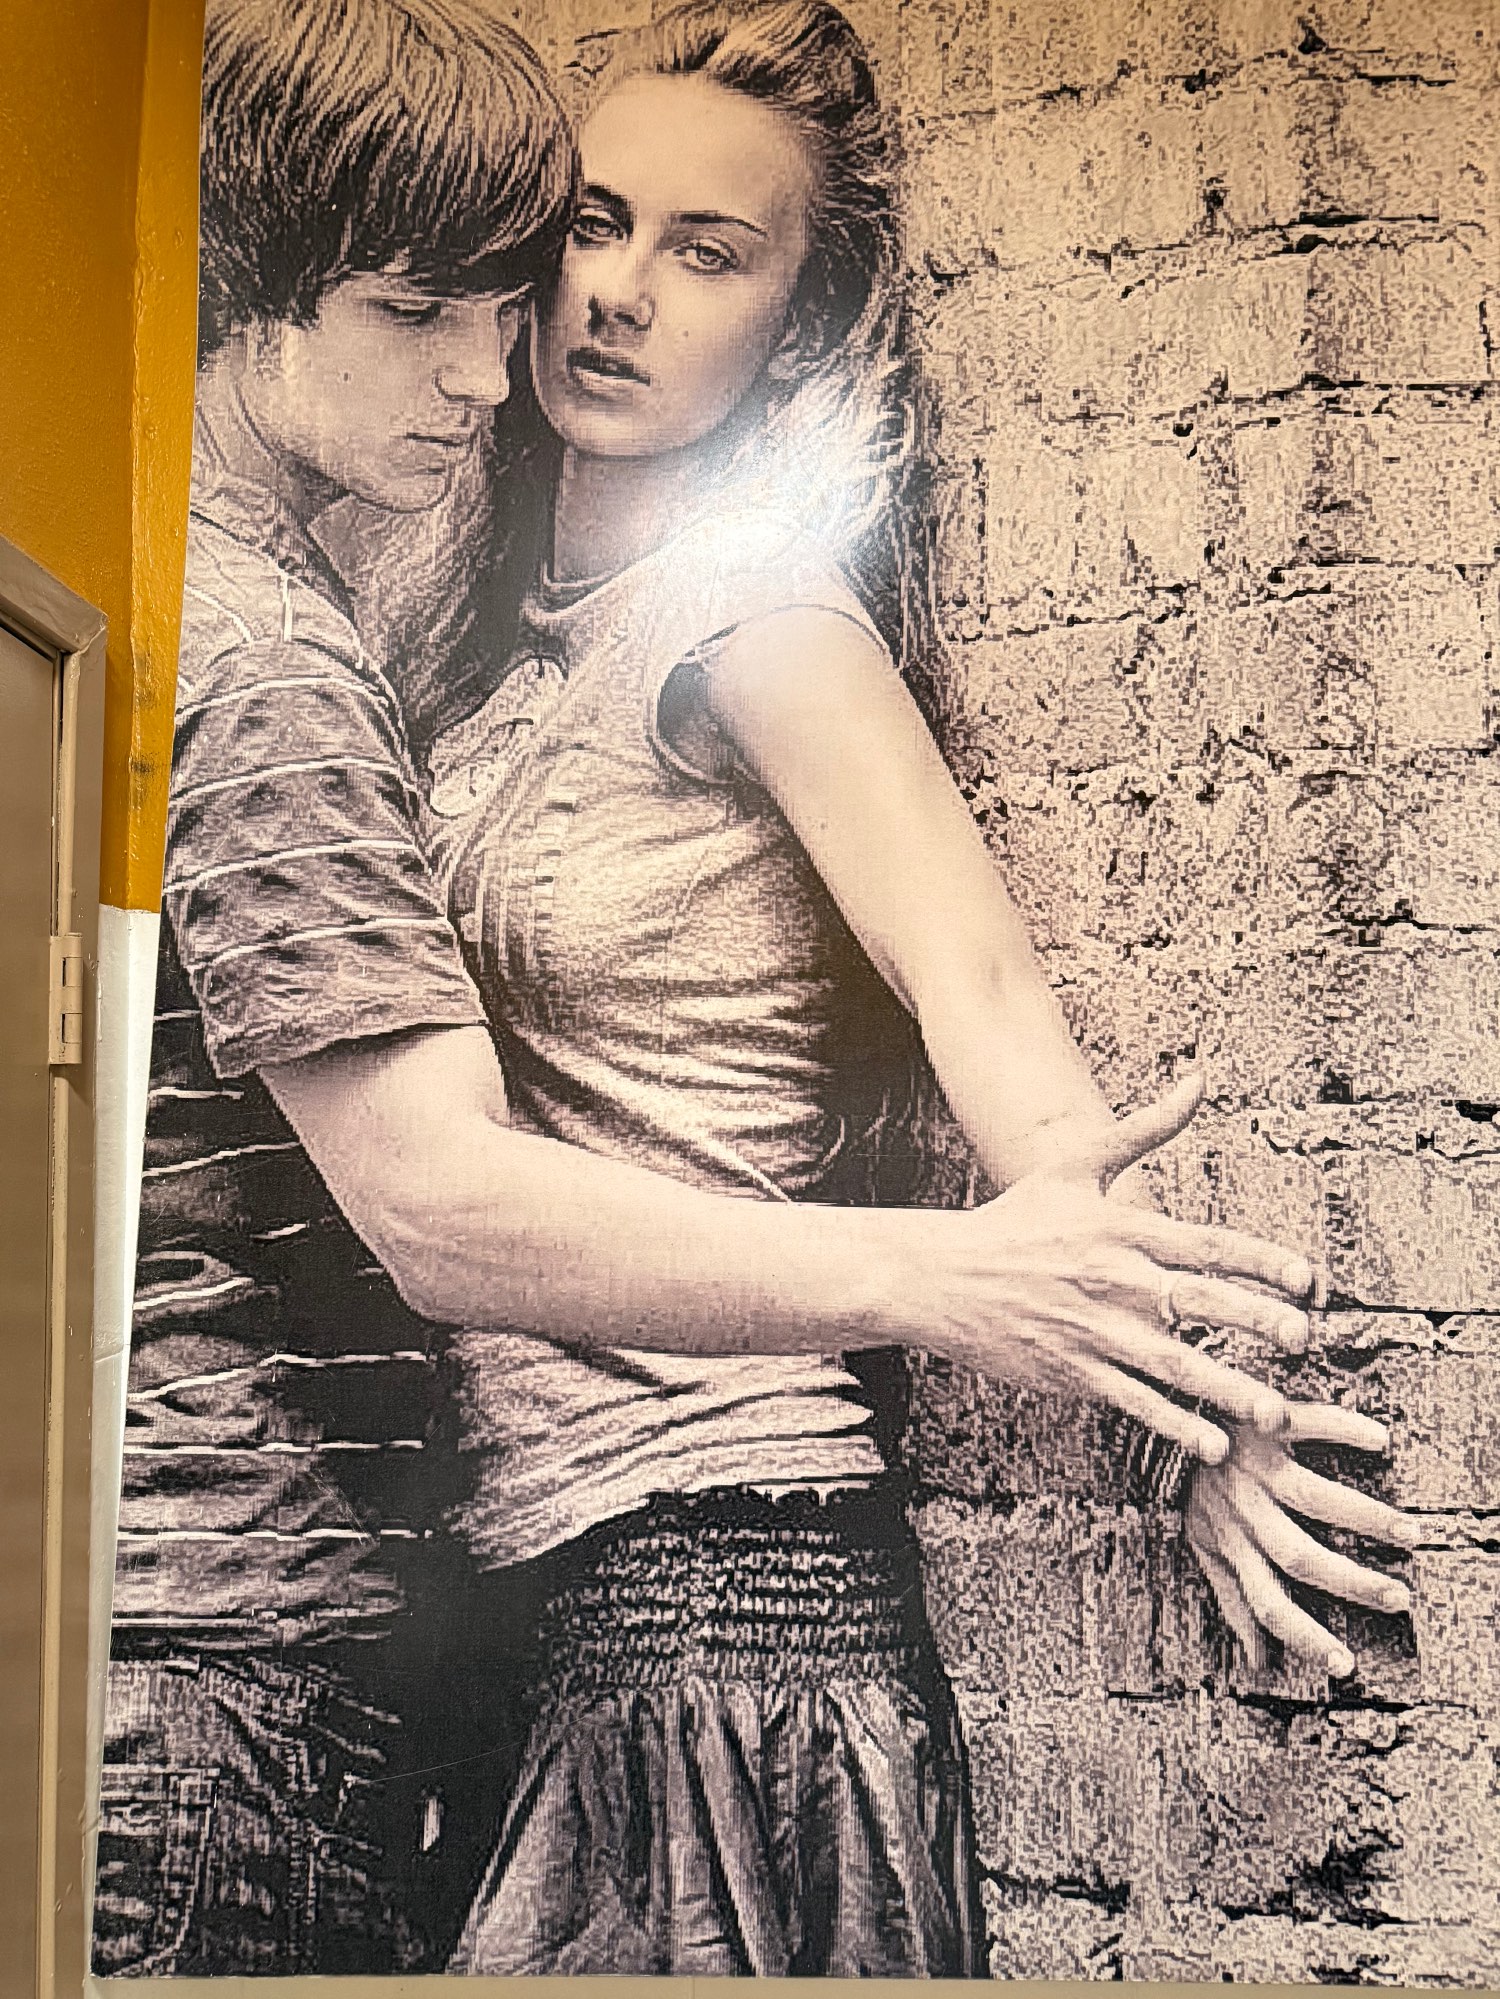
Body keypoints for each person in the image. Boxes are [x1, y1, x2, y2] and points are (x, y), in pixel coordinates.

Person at [96, 0, 1349, 1975]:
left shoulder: (757, 616)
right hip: (532, 1615)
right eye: (592, 224)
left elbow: (984, 997)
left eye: (710, 253)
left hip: (722, 1594)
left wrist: (1191, 1404)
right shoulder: (446, 628)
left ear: (800, 324)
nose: (615, 294)